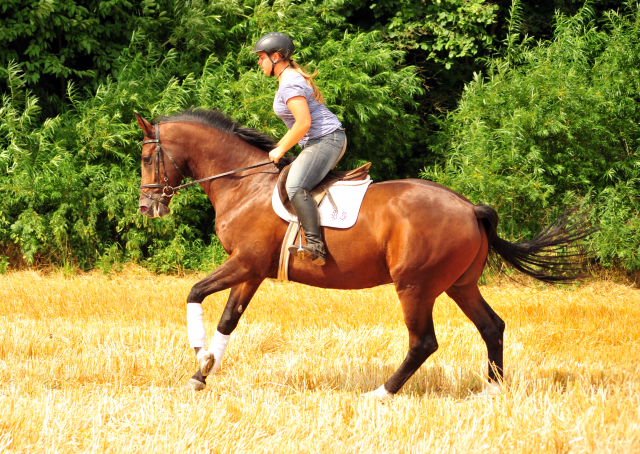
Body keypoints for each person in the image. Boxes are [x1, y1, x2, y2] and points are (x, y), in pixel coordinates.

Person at [251, 32, 346, 266]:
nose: (259, 62)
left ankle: (315, 245)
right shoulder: (287, 79)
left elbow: (303, 123)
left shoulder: (290, 82)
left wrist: (280, 148)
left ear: (276, 57)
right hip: (319, 140)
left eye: (261, 57)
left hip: (326, 139)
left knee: (295, 185)